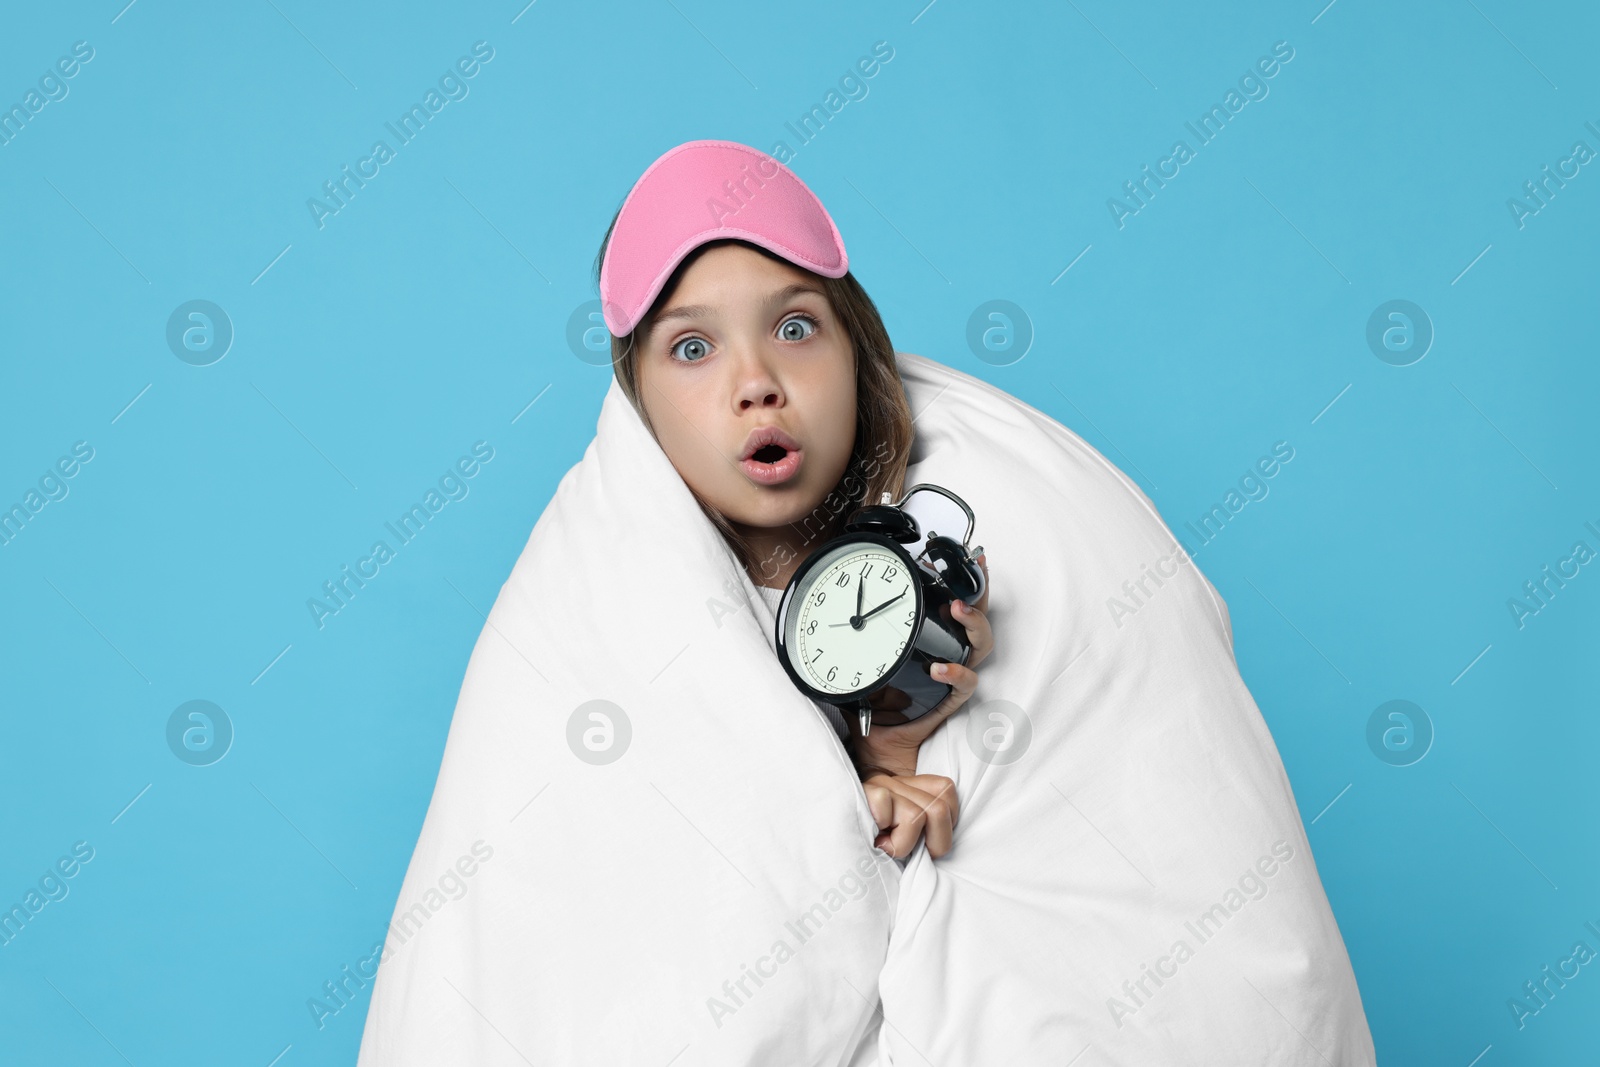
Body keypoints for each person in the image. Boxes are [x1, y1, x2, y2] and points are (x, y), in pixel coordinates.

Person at [593, 139, 990, 862]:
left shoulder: (953, 521)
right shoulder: (606, 627)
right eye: (691, 347)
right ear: (640, 407)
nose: (755, 381)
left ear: (857, 354)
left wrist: (888, 751)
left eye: (795, 327)